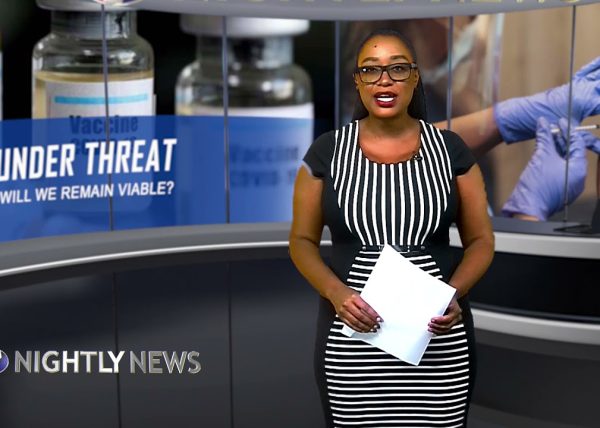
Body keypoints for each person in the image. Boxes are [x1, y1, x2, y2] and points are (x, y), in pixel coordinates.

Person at [289, 29, 494, 428]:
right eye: (371, 70)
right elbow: (301, 241)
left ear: (415, 77)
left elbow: (481, 241)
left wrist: (453, 293)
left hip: (436, 341)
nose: (384, 80)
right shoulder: (326, 152)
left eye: (397, 69)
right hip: (352, 342)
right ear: (357, 81)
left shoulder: (451, 150)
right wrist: (337, 294)